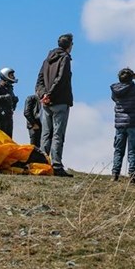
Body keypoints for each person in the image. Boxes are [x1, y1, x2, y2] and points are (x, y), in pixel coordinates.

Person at [35, 33, 74, 177]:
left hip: (46, 102)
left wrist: (43, 94)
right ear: (69, 45)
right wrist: (49, 94)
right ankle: (56, 165)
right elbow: (61, 78)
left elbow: (39, 80)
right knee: (58, 134)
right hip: (59, 101)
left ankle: (42, 163)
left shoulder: (46, 60)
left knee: (45, 133)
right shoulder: (65, 58)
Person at [110, 68, 135, 183]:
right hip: (133, 122)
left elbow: (114, 99)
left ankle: (115, 174)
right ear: (132, 77)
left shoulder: (115, 89)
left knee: (118, 149)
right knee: (133, 149)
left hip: (119, 123)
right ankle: (131, 175)